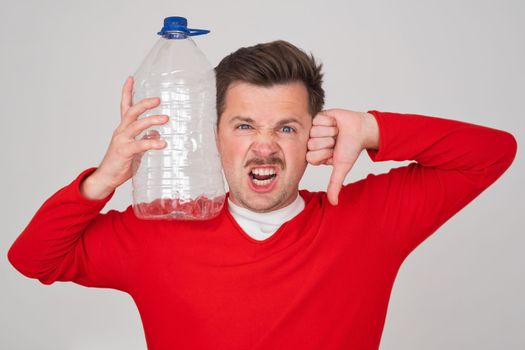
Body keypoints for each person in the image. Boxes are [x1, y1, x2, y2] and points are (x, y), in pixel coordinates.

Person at [8, 40, 517, 350]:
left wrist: (372, 128)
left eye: (287, 128)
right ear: (213, 134)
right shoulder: (159, 229)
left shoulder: (368, 220)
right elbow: (32, 258)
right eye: (245, 125)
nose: (265, 147)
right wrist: (104, 178)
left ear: (314, 135)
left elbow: (494, 152)